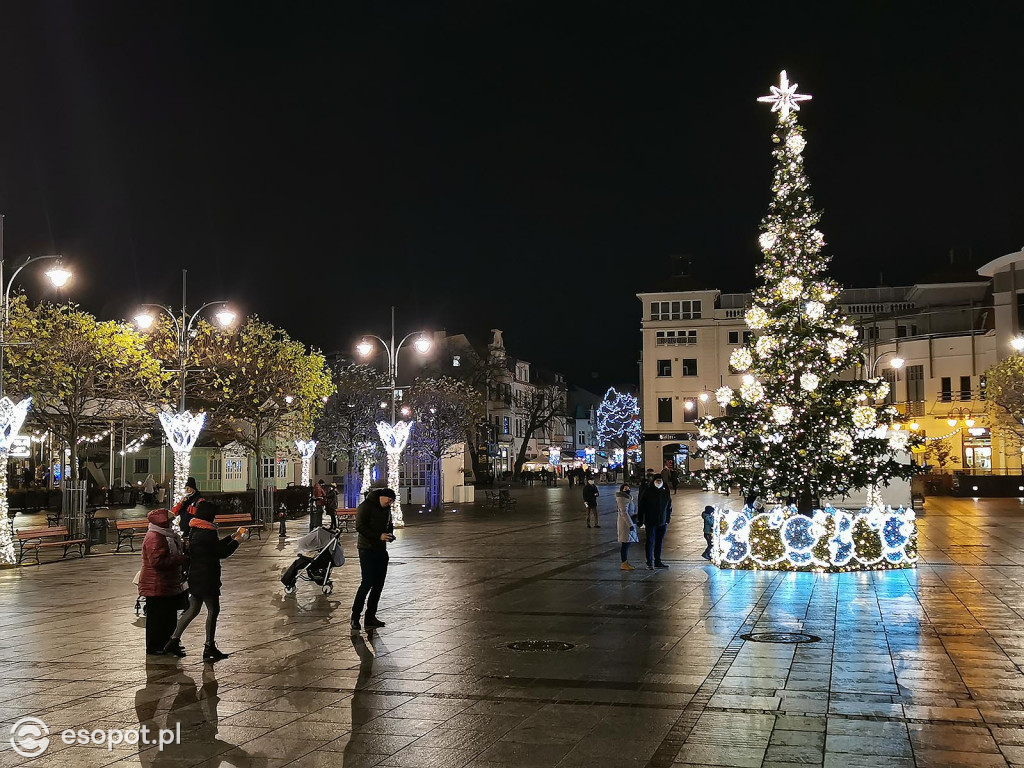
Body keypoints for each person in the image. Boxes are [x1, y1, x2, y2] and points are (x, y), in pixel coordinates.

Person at [163, 501, 245, 661]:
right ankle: (209, 646)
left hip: (196, 576)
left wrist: (231, 537)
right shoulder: (207, 533)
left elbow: (213, 547)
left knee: (193, 609)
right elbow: (222, 552)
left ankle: (173, 640)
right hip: (207, 578)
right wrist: (238, 542)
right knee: (213, 610)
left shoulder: (196, 529)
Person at [138, 508, 187, 654]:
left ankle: (167, 643)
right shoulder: (155, 536)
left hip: (166, 583)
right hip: (156, 584)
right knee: (157, 618)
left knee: (168, 615)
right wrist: (180, 559)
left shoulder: (166, 535)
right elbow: (157, 562)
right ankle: (154, 647)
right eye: (170, 521)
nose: (172, 523)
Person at [351, 488, 396, 631]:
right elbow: (360, 526)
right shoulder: (366, 506)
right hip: (366, 549)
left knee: (378, 585)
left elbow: (389, 524)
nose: (390, 504)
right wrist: (378, 536)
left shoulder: (386, 509)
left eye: (392, 502)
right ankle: (355, 617)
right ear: (382, 497)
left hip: (381, 550)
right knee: (367, 582)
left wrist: (389, 534)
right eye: (389, 500)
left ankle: (370, 617)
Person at [637, 474, 672, 570]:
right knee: (650, 541)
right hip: (650, 521)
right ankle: (649, 562)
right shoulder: (648, 492)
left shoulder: (665, 492)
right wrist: (640, 520)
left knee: (659, 542)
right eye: (657, 480)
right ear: (654, 481)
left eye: (660, 480)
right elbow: (641, 507)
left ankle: (658, 561)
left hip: (662, 521)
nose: (659, 482)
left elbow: (669, 506)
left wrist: (667, 519)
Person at [615, 484, 638, 570]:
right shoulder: (622, 499)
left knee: (627, 543)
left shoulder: (628, 498)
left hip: (629, 522)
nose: (627, 489)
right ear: (622, 490)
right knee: (625, 543)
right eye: (625, 488)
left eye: (628, 488)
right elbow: (624, 512)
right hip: (625, 524)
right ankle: (624, 563)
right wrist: (630, 524)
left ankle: (625, 562)